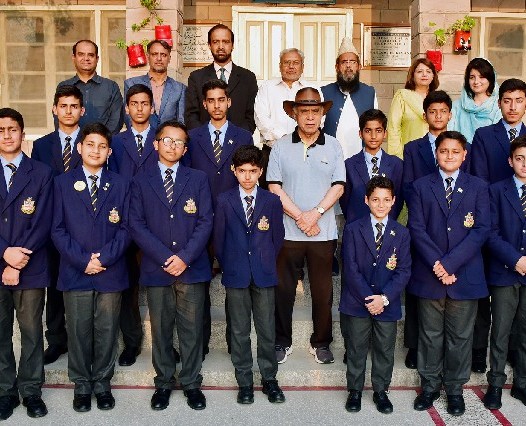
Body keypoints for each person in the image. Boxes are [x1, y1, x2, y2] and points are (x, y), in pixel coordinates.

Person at [129, 120, 213, 411]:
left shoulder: (198, 179)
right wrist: (165, 257)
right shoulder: (141, 180)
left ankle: (191, 382)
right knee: (161, 329)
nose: (172, 146)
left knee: (191, 329)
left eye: (179, 142)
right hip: (157, 268)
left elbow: (205, 221)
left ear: (185, 149)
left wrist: (184, 258)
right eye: (167, 140)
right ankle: (163, 382)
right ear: (156, 144)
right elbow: (136, 224)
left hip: (191, 267)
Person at [408, 131, 490, 416]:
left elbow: (481, 230)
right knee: (430, 335)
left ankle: (455, 389)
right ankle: (429, 386)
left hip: (464, 275)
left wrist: (450, 265)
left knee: (460, 337)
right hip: (429, 274)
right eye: (444, 151)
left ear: (465, 155)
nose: (449, 156)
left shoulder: (478, 186)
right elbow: (417, 229)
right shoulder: (420, 186)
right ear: (436, 154)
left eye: (455, 151)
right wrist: (437, 265)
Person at [51, 123, 130, 413]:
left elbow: (127, 228)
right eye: (90, 145)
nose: (96, 150)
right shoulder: (62, 183)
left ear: (109, 152)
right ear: (80, 147)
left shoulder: (121, 184)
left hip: (110, 270)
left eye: (102, 146)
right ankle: (82, 385)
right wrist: (83, 260)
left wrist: (103, 259)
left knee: (107, 330)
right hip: (75, 271)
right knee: (78, 330)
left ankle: (102, 383)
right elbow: (57, 229)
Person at [267, 87, 345, 365]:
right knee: (283, 290)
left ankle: (321, 343)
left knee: (323, 293)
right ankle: (281, 341)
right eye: (304, 111)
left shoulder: (333, 145)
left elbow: (339, 186)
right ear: (294, 114)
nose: (310, 117)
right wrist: (301, 216)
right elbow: (274, 186)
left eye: (315, 111)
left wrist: (316, 214)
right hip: (288, 232)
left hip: (323, 233)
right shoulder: (280, 146)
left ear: (322, 114)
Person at [184, 78, 253, 357]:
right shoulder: (193, 137)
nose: (216, 105)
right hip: (199, 221)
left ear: (229, 102)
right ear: (204, 104)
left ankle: (235, 345)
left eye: (221, 100)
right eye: (210, 100)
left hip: (233, 220)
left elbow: (248, 180)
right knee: (198, 285)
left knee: (234, 285)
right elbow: (187, 179)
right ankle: (199, 344)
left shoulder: (244, 136)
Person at [402, 90, 471, 369]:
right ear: (425, 115)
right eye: (432, 111)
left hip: (456, 226)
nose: (438, 116)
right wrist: (424, 210)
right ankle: (414, 345)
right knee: (419, 289)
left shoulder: (461, 146)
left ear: (450, 115)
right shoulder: (413, 147)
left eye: (443, 111)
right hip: (424, 223)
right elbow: (408, 185)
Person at [214, 145, 286, 405]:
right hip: (236, 273)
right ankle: (244, 381)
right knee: (239, 330)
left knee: (266, 329)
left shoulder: (271, 201)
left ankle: (269, 379)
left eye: (252, 171)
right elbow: (219, 240)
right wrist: (230, 264)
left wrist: (264, 261)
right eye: (242, 171)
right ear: (234, 171)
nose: (247, 176)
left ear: (261, 172)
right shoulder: (224, 200)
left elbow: (277, 238)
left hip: (264, 273)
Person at [340, 176, 411, 414]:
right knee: (356, 348)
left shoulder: (401, 233)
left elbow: (403, 270)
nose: (381, 205)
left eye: (386, 200)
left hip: (387, 303)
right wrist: (369, 299)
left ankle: (381, 390)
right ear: (366, 200)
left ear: (393, 201)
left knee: (384, 349)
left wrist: (384, 298)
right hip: (357, 302)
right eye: (375, 200)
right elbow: (350, 268)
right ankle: (355, 390)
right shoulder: (353, 229)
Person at [0, 108, 53, 420]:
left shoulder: (41, 172)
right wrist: (4, 253)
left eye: (12, 129)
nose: (7, 135)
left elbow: (44, 221)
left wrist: (17, 260)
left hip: (31, 265)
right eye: (1, 130)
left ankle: (31, 390)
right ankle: (5, 390)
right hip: (0, 262)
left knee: (32, 331)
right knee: (0, 332)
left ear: (22, 133)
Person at [470, 78, 526, 373]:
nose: (513, 106)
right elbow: (479, 180)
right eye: (507, 100)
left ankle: (514, 353)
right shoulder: (484, 135)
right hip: (492, 221)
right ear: (499, 103)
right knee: (484, 292)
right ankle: (480, 350)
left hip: (522, 228)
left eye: (519, 100)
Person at [32, 85, 84, 365]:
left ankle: (84, 340)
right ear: (54, 109)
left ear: (82, 110)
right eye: (63, 106)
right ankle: (56, 340)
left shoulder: (92, 142)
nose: (68, 111)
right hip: (52, 227)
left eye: (74, 106)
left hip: (85, 228)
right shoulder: (41, 146)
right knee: (54, 286)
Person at [108, 84, 159, 367]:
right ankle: (131, 342)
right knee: (127, 288)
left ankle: (164, 344)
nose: (140, 108)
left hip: (157, 224)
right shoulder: (115, 143)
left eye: (145, 103)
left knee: (160, 287)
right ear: (127, 109)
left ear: (153, 108)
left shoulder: (163, 139)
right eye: (134, 104)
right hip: (125, 223)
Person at [483, 136, 526, 410]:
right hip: (505, 271)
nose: (525, 164)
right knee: (500, 330)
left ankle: (522, 383)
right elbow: (490, 232)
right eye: (520, 158)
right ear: (510, 161)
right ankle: (496, 384)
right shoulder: (497, 190)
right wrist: (515, 259)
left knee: (525, 331)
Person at [254, 48, 313, 189]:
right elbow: (260, 118)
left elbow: (319, 119)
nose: (291, 66)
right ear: (280, 65)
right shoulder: (267, 87)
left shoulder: (312, 89)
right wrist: (285, 138)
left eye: (296, 63)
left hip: (306, 153)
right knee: (270, 196)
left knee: (301, 193)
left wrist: (299, 139)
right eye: (287, 62)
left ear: (302, 66)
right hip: (272, 152)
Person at [185, 24, 258, 133]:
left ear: (232, 45)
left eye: (226, 42)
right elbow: (191, 115)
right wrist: (205, 137)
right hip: (205, 141)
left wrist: (238, 137)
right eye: (216, 42)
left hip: (238, 141)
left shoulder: (248, 78)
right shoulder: (196, 77)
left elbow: (251, 115)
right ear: (209, 45)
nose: (221, 46)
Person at [340, 109, 403, 224]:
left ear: (385, 133)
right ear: (360, 134)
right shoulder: (349, 165)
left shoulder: (396, 164)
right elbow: (345, 202)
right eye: (368, 131)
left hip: (387, 226)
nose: (373, 136)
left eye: (378, 131)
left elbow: (398, 200)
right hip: (357, 226)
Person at [321, 37, 378, 160]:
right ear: (337, 67)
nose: (348, 66)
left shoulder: (369, 92)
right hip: (330, 158)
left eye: (352, 62)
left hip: (361, 159)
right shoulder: (324, 92)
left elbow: (375, 126)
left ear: (359, 66)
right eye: (344, 62)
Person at [57, 40, 123, 135]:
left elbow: (116, 121)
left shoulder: (111, 87)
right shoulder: (64, 86)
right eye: (81, 54)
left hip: (103, 142)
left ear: (97, 59)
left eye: (91, 55)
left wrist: (100, 140)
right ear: (74, 57)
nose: (86, 58)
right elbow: (59, 119)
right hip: (71, 143)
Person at [123, 40, 186, 129]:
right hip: (139, 136)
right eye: (154, 54)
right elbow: (128, 116)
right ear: (148, 56)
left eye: (163, 55)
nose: (159, 58)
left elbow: (181, 121)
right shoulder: (131, 83)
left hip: (168, 137)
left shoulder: (180, 89)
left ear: (169, 58)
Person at [387, 58, 439, 159]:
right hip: (410, 155)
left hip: (436, 156)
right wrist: (396, 158)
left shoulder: (438, 98)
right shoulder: (402, 96)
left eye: (428, 71)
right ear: (412, 75)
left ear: (433, 76)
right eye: (420, 71)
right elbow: (393, 128)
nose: (424, 74)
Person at [449, 57, 502, 143]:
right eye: (472, 77)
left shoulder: (498, 106)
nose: (476, 82)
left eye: (481, 77)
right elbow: (449, 135)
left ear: (490, 79)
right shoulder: (456, 106)